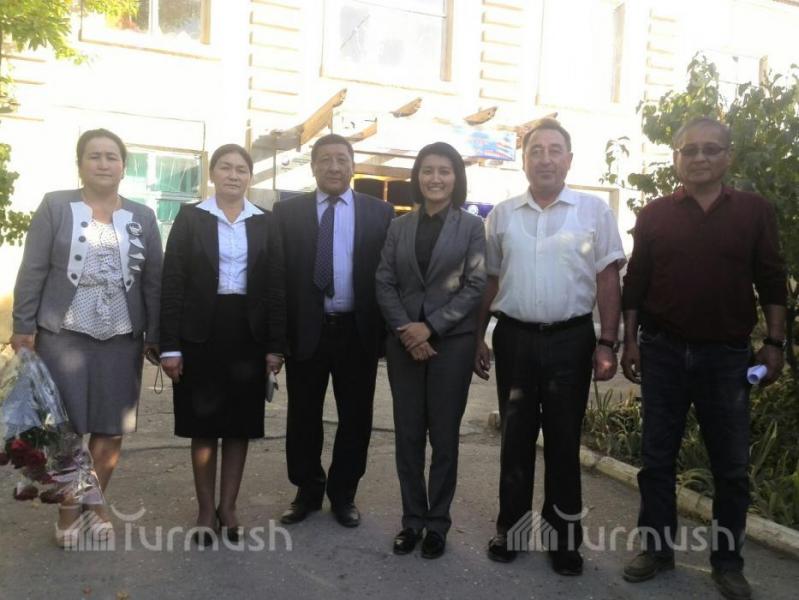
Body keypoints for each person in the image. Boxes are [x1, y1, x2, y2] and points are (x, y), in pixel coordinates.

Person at [620, 117, 786, 600]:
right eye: (689, 150)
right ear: (676, 157)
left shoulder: (754, 212)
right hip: (663, 352)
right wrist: (630, 342)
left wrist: (774, 344)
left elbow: (772, 280)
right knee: (656, 460)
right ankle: (657, 551)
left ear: (728, 156)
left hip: (728, 359)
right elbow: (636, 282)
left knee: (731, 467)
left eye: (710, 149)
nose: (699, 158)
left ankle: (728, 563)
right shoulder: (655, 214)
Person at [474, 118, 626, 575]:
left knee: (563, 442)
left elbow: (608, 279)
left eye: (554, 150)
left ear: (569, 159)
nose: (545, 158)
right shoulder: (502, 215)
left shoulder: (593, 211)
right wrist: (478, 336)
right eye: (535, 150)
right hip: (514, 338)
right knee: (515, 439)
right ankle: (512, 530)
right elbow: (491, 280)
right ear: (523, 161)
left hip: (571, 340)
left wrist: (607, 342)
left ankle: (564, 541)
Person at [11, 128, 162, 545]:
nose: (103, 163)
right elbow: (33, 268)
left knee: (111, 427)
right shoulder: (55, 206)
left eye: (112, 156)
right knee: (67, 428)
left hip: (123, 335)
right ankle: (69, 509)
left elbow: (154, 279)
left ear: (123, 167)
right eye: (94, 156)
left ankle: (93, 503)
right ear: (80, 164)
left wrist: (156, 334)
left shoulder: (143, 216)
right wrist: (23, 326)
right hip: (64, 334)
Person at [159, 144, 286, 545]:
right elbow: (172, 283)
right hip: (199, 334)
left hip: (247, 335)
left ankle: (228, 507)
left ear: (250, 176)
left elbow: (276, 286)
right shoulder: (191, 218)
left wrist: (275, 345)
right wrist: (169, 346)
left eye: (241, 169)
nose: (233, 175)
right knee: (203, 425)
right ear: (212, 173)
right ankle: (204, 509)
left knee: (238, 426)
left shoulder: (265, 222)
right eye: (225, 168)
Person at [274, 133, 394, 528]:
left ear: (353, 165)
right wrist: (277, 338)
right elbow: (278, 278)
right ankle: (307, 491)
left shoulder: (380, 213)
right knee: (303, 416)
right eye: (325, 159)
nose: (334, 166)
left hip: (357, 331)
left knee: (356, 417)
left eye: (342, 159)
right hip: (306, 331)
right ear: (312, 167)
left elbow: (389, 275)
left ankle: (344, 494)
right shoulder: (287, 213)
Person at [375, 142, 486, 559]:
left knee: (443, 437)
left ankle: (437, 523)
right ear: (417, 177)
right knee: (407, 436)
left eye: (444, 171)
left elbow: (475, 285)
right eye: (427, 170)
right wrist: (407, 331)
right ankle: (412, 521)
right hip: (404, 344)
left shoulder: (472, 226)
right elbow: (384, 280)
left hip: (451, 345)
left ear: (456, 178)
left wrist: (431, 327)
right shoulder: (399, 226)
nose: (435, 178)